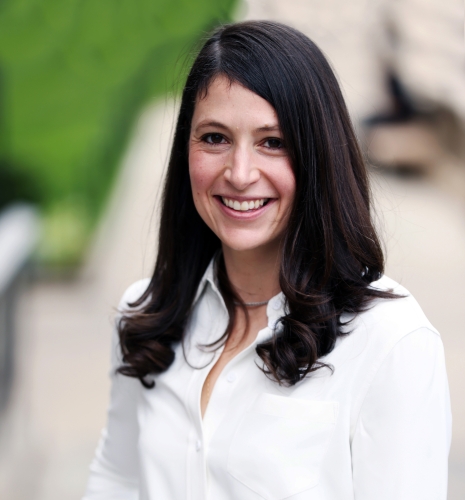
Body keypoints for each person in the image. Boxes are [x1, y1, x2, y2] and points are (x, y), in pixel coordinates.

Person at [83, 21, 451, 500]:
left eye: (272, 142)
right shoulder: (149, 319)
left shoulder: (391, 342)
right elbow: (117, 481)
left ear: (318, 154)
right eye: (214, 138)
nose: (239, 173)